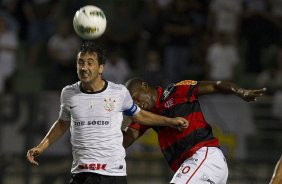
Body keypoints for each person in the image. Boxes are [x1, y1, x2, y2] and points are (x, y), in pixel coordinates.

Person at [26, 41, 188, 184]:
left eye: (90, 62)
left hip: (111, 173)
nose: (84, 67)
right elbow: (62, 123)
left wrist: (170, 121)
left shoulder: (118, 92)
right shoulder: (68, 93)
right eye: (80, 62)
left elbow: (139, 115)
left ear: (101, 67)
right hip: (81, 173)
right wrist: (41, 147)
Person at [123, 78, 266, 184]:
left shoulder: (177, 90)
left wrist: (240, 91)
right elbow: (124, 141)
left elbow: (215, 86)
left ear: (144, 85)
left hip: (204, 158)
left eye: (135, 97)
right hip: (194, 167)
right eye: (132, 103)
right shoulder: (146, 117)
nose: (137, 104)